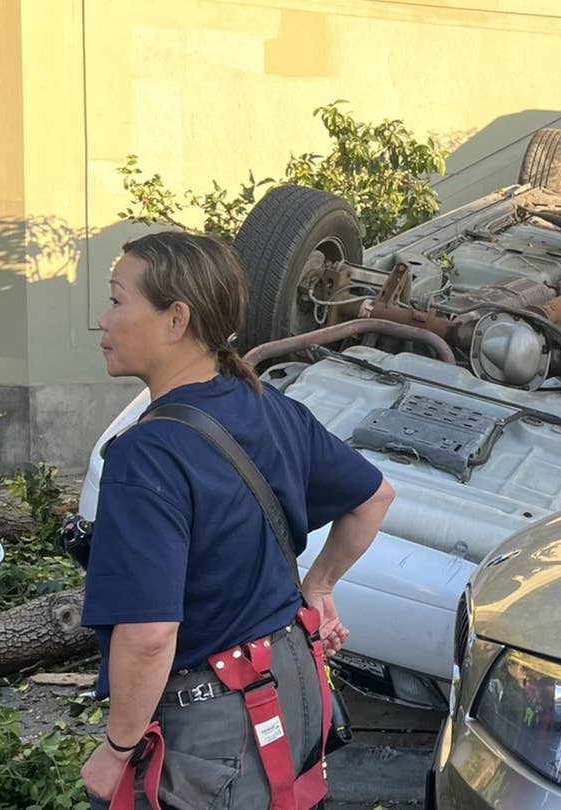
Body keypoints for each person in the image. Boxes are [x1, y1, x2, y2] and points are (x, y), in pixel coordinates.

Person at [80, 231, 395, 808]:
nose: (102, 319)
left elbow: (149, 637)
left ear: (177, 319)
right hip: (293, 685)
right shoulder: (270, 406)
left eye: (117, 300)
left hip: (215, 728)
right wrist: (319, 585)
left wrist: (117, 748)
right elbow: (373, 498)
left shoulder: (146, 455)